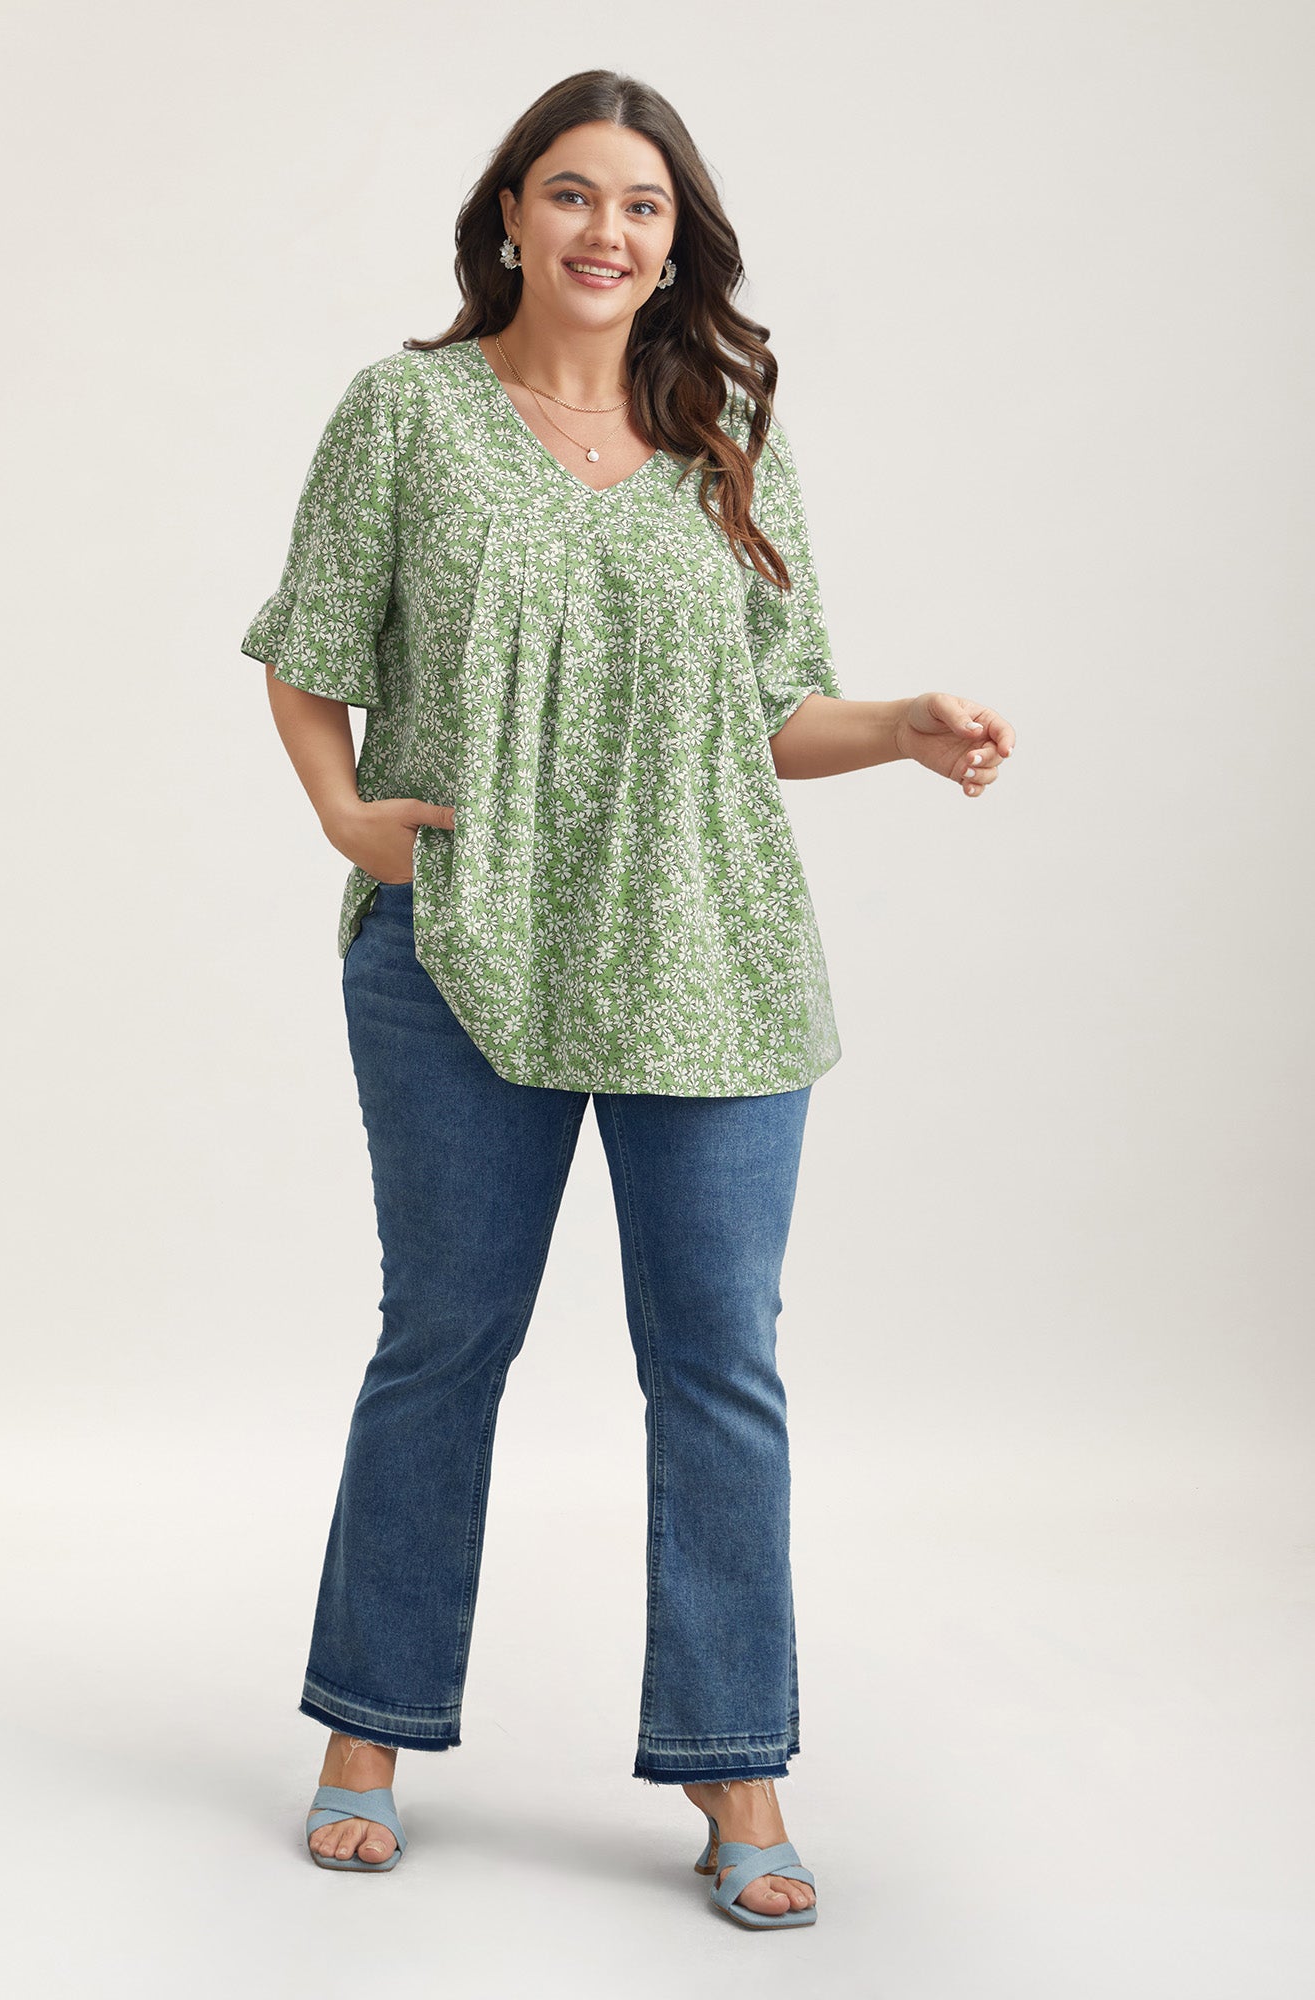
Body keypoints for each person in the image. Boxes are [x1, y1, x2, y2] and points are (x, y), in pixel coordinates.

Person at [239, 70, 1015, 1931]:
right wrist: (346, 815)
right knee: (443, 1342)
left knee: (720, 1365)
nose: (607, 230)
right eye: (574, 193)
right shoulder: (407, 416)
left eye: (643, 206)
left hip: (707, 951)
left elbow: (774, 706)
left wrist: (901, 727)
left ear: (677, 246)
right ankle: (367, 1730)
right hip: (462, 947)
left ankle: (737, 1762)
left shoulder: (722, 424)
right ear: (510, 215)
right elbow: (308, 652)